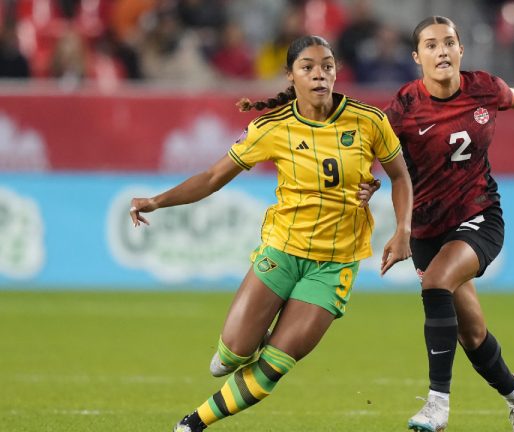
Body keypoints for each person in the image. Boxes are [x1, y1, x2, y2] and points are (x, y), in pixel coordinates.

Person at [128, 35, 413, 431]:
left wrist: (403, 230)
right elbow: (212, 177)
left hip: (334, 265)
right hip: (282, 249)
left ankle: (193, 423)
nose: (320, 75)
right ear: (290, 75)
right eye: (308, 67)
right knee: (232, 354)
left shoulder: (368, 120)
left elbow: (400, 175)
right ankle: (237, 348)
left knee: (275, 364)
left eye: (327, 66)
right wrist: (157, 201)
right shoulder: (270, 128)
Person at [383, 15, 514, 432]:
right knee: (473, 336)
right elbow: (379, 158)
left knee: (435, 284)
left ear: (461, 50)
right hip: (429, 230)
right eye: (431, 45)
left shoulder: (482, 86)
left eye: (449, 42)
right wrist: (370, 195)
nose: (441, 51)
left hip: (479, 215)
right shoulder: (405, 107)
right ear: (417, 57)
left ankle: (436, 404)